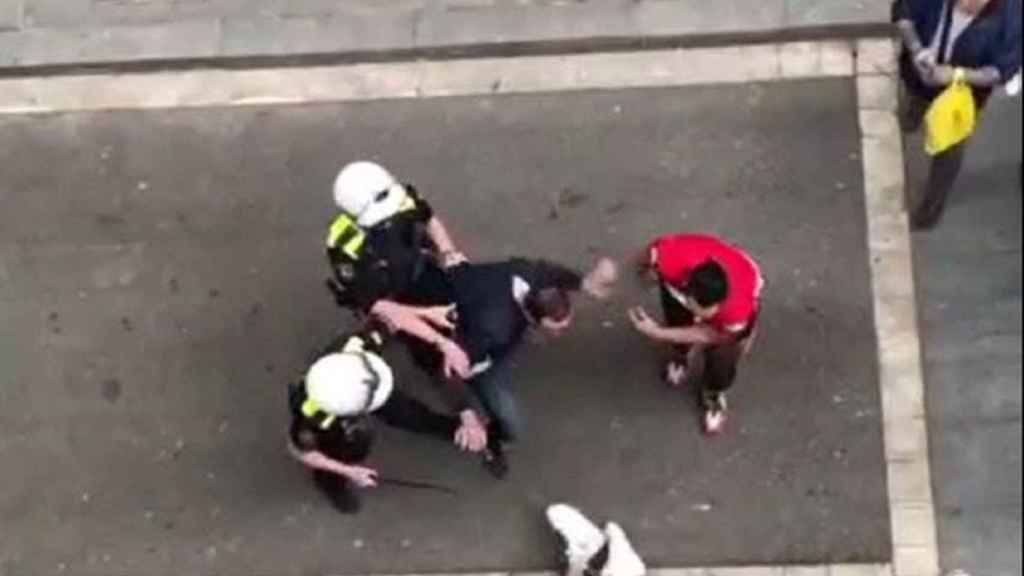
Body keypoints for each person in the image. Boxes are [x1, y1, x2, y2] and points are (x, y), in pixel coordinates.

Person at [429, 256, 618, 477]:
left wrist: (584, 282)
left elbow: (551, 272)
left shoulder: (527, 274)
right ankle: (490, 441)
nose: (559, 332)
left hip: (462, 289)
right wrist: (466, 412)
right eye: (554, 328)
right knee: (510, 422)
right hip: (474, 354)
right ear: (531, 317)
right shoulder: (494, 330)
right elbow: (447, 369)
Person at [287, 323, 488, 513]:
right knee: (347, 448)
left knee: (407, 413)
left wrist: (443, 344)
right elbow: (301, 451)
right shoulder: (311, 414)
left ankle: (452, 429)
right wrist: (348, 471)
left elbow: (393, 316)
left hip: (365, 389)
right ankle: (332, 482)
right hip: (336, 428)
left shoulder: (357, 345)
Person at [326, 161, 472, 379]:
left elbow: (429, 218)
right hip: (385, 293)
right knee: (424, 350)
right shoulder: (344, 247)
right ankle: (448, 385)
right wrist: (438, 340)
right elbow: (381, 306)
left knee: (455, 301)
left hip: (418, 269)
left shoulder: (402, 198)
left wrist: (449, 253)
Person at [893, 0, 1022, 230]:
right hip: (917, 78)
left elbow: (1002, 70)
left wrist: (956, 75)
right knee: (914, 103)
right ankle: (912, 117)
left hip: (961, 97)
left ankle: (928, 213)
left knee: (949, 153)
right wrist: (916, 50)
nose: (965, 4)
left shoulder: (1014, 14)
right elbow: (903, 12)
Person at [628, 234, 763, 436]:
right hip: (682, 287)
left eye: (715, 309)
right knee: (676, 318)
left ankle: (713, 394)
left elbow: (708, 335)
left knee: (723, 358)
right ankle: (681, 354)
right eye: (706, 311)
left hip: (737, 305)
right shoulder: (668, 260)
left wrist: (657, 332)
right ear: (689, 295)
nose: (711, 314)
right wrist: (641, 275)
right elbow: (648, 254)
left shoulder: (735, 310)